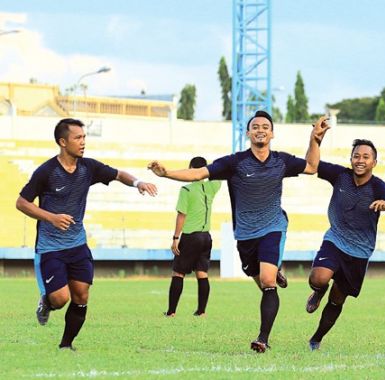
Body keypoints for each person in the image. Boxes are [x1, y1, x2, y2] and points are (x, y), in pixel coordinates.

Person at [148, 110, 329, 353]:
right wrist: (167, 173)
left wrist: (314, 139)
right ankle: (274, 270)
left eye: (265, 126)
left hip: (273, 226)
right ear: (248, 133)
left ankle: (263, 339)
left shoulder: (281, 161)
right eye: (255, 127)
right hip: (245, 234)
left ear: (272, 133)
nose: (260, 130)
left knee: (267, 282)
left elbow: (311, 166)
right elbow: (199, 173)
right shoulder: (235, 162)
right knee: (256, 275)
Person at [15, 118, 157, 350]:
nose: (83, 143)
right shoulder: (46, 171)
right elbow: (21, 203)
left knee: (81, 295)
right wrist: (51, 217)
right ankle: (46, 302)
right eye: (77, 138)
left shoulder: (88, 168)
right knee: (60, 299)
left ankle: (66, 345)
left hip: (78, 244)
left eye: (84, 138)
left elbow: (119, 174)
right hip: (50, 247)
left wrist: (138, 182)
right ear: (63, 142)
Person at [305, 139, 385, 351]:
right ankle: (318, 291)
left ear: (374, 162)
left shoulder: (379, 186)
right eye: (356, 156)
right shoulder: (340, 175)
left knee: (337, 300)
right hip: (335, 239)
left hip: (359, 251)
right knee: (318, 278)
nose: (360, 160)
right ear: (351, 159)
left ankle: (316, 338)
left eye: (365, 157)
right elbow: (312, 164)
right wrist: (315, 140)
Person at [164, 156, 221, 318]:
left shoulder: (186, 190)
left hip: (190, 236)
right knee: (202, 273)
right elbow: (216, 173)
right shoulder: (212, 187)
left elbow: (182, 215)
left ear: (190, 170)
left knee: (178, 273)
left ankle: (171, 311)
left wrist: (175, 238)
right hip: (206, 237)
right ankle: (201, 311)